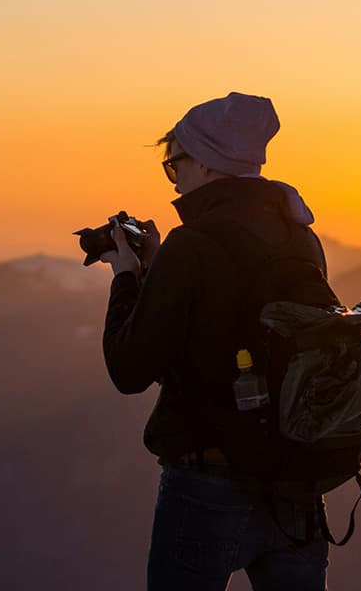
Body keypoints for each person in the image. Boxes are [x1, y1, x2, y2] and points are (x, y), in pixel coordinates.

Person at [97, 91, 333, 591]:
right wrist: (161, 269)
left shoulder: (193, 246)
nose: (173, 175)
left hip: (208, 483)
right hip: (295, 480)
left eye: (173, 161)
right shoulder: (299, 237)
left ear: (206, 162)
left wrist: (127, 277)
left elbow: (130, 369)